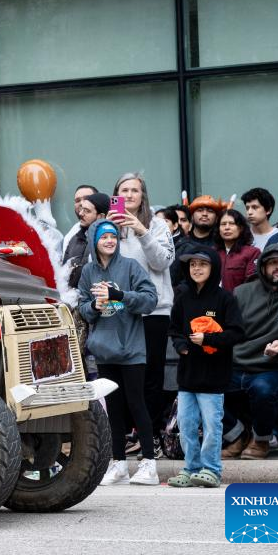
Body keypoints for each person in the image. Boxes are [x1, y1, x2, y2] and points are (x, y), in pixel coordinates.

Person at [77, 219, 159, 485]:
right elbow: (82, 307)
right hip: (103, 350)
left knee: (136, 404)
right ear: (94, 242)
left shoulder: (131, 266)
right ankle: (119, 464)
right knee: (112, 408)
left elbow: (150, 300)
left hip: (131, 348)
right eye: (104, 237)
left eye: (114, 236)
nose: (110, 241)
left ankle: (149, 464)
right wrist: (96, 306)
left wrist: (120, 295)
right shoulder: (88, 271)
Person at [166, 248, 245, 489]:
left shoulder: (225, 299)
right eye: (193, 265)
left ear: (213, 269)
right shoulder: (182, 298)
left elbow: (237, 333)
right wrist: (182, 346)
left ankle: (211, 469)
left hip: (214, 376)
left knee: (212, 425)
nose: (197, 269)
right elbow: (174, 329)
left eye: (203, 264)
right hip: (187, 375)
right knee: (186, 424)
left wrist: (208, 340)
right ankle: (191, 468)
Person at [220, 244, 278, 460]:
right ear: (263, 267)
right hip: (238, 364)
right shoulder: (242, 292)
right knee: (201, 385)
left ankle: (261, 440)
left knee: (263, 388)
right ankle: (237, 435)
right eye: (273, 263)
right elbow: (229, 331)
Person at [109, 173, 176, 444]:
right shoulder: (108, 225)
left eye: (135, 190)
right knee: (121, 374)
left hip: (153, 311)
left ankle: (150, 434)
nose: (129, 195)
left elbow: (162, 263)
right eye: (123, 190)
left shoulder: (157, 225)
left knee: (150, 376)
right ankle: (125, 434)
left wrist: (142, 230)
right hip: (118, 309)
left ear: (143, 195)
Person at [214, 209, 260, 292]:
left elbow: (251, 285)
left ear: (241, 228)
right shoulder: (213, 252)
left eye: (232, 224)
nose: (227, 227)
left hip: (239, 302)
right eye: (223, 224)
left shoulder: (252, 253)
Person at [61, 184, 99, 259]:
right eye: (77, 200)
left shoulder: (112, 230)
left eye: (86, 199)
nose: (81, 203)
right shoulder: (70, 236)